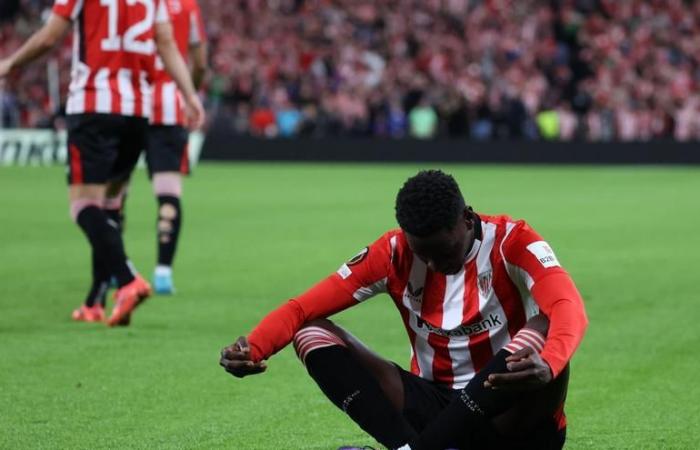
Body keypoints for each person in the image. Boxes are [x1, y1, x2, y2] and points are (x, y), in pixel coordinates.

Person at [219, 170, 588, 449]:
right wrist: (254, 347)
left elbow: (568, 305)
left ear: (467, 218)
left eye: (443, 252)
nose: (432, 263)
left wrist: (551, 362)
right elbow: (302, 307)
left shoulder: (513, 241)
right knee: (309, 331)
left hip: (510, 413)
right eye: (422, 253)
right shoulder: (392, 252)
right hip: (433, 405)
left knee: (541, 328)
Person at [0, 0, 204, 326]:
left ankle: (127, 280)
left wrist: (10, 63)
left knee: (82, 206)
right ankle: (95, 300)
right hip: (138, 110)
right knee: (110, 205)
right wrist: (190, 96)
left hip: (94, 105)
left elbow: (49, 37)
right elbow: (165, 43)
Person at [145, 0, 207, 294]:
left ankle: (115, 273)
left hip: (128, 101)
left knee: (113, 195)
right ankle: (163, 272)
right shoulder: (187, 6)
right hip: (170, 107)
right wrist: (188, 92)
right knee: (168, 195)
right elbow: (201, 61)